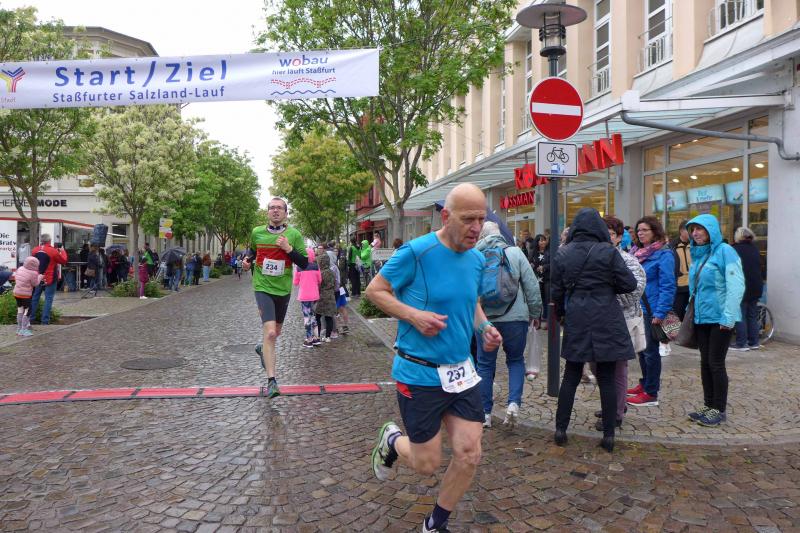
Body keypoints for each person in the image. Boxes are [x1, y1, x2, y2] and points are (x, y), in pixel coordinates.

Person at [367, 183, 502, 533]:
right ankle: (392, 440)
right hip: (419, 373)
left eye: (481, 219)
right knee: (426, 463)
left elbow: (471, 301)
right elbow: (375, 290)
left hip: (461, 372)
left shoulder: (477, 259)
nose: (476, 227)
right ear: (445, 217)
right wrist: (413, 315)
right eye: (468, 219)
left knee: (470, 453)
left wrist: (484, 327)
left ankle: (435, 524)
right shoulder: (416, 252)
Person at [550, 208, 637, 453]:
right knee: (607, 377)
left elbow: (556, 292)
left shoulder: (563, 253)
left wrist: (562, 315)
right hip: (606, 315)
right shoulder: (608, 251)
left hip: (577, 315)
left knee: (571, 375)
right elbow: (629, 283)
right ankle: (609, 435)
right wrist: (606, 287)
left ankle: (560, 430)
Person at [475, 221, 541, 428]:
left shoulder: (475, 255)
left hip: (485, 319)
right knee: (515, 360)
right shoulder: (515, 253)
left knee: (484, 365)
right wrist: (535, 313)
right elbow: (531, 286)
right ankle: (513, 403)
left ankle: (485, 413)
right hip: (516, 318)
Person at [242, 197, 308, 399]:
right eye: (272, 208)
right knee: (270, 333)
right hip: (262, 287)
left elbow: (304, 263)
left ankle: (262, 348)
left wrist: (289, 249)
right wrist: (247, 261)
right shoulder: (257, 232)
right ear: (268, 212)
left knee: (276, 332)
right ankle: (272, 381)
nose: (275, 210)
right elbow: (253, 251)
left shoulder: (294, 235)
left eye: (279, 208)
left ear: (286, 213)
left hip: (283, 290)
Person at [686, 214, 745, 426]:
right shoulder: (699, 254)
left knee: (716, 363)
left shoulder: (725, 251)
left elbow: (736, 285)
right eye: (693, 230)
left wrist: (728, 317)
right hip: (702, 317)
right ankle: (708, 405)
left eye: (700, 229)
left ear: (711, 230)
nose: (695, 233)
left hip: (720, 318)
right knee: (705, 363)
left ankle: (718, 410)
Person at [590, 216, 647, 432]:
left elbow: (635, 290)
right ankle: (612, 403)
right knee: (596, 365)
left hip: (622, 321)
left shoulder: (628, 261)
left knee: (617, 369)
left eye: (611, 234)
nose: (607, 237)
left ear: (619, 237)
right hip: (598, 321)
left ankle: (616, 412)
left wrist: (607, 300)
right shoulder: (594, 258)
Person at [627, 216, 676, 407]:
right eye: (638, 230)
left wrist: (660, 312)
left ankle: (651, 392)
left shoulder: (663, 254)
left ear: (655, 231)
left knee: (650, 352)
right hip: (638, 308)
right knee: (641, 350)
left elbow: (668, 286)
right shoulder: (636, 253)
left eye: (645, 230)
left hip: (652, 309)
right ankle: (645, 383)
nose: (640, 233)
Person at [730, 226, 763, 351]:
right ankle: (754, 342)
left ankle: (741, 343)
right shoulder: (755, 248)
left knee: (740, 315)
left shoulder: (735, 249)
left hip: (742, 287)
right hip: (756, 287)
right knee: (752, 316)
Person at [29, 234, 68, 325]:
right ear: (50, 241)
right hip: (50, 278)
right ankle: (45, 321)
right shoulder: (53, 251)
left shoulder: (35, 250)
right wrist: (62, 251)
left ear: (41, 240)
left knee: (35, 298)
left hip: (38, 277)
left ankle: (31, 319)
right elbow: (63, 261)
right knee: (48, 299)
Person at [293, 247, 321, 349]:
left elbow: (295, 282)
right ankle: (316, 338)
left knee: (306, 317)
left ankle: (309, 339)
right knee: (312, 316)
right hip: (314, 296)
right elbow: (319, 280)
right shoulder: (316, 267)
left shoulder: (299, 267)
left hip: (304, 296)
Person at [13, 256, 43, 336]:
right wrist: (40, 277)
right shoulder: (33, 273)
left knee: (20, 310)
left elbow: (16, 278)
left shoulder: (20, 268)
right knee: (27, 311)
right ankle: (24, 330)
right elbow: (35, 284)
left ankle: (19, 329)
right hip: (25, 295)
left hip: (17, 293)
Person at [671, 221, 693, 322]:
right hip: (678, 287)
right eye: (689, 230)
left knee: (689, 316)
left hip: (692, 287)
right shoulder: (672, 246)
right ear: (681, 231)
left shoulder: (695, 245)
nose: (692, 233)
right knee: (677, 314)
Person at [315, 253, 338, 342]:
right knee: (329, 317)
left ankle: (318, 336)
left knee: (317, 316)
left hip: (321, 297)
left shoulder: (320, 273)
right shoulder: (332, 272)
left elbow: (318, 285)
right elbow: (336, 284)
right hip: (331, 296)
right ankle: (328, 337)